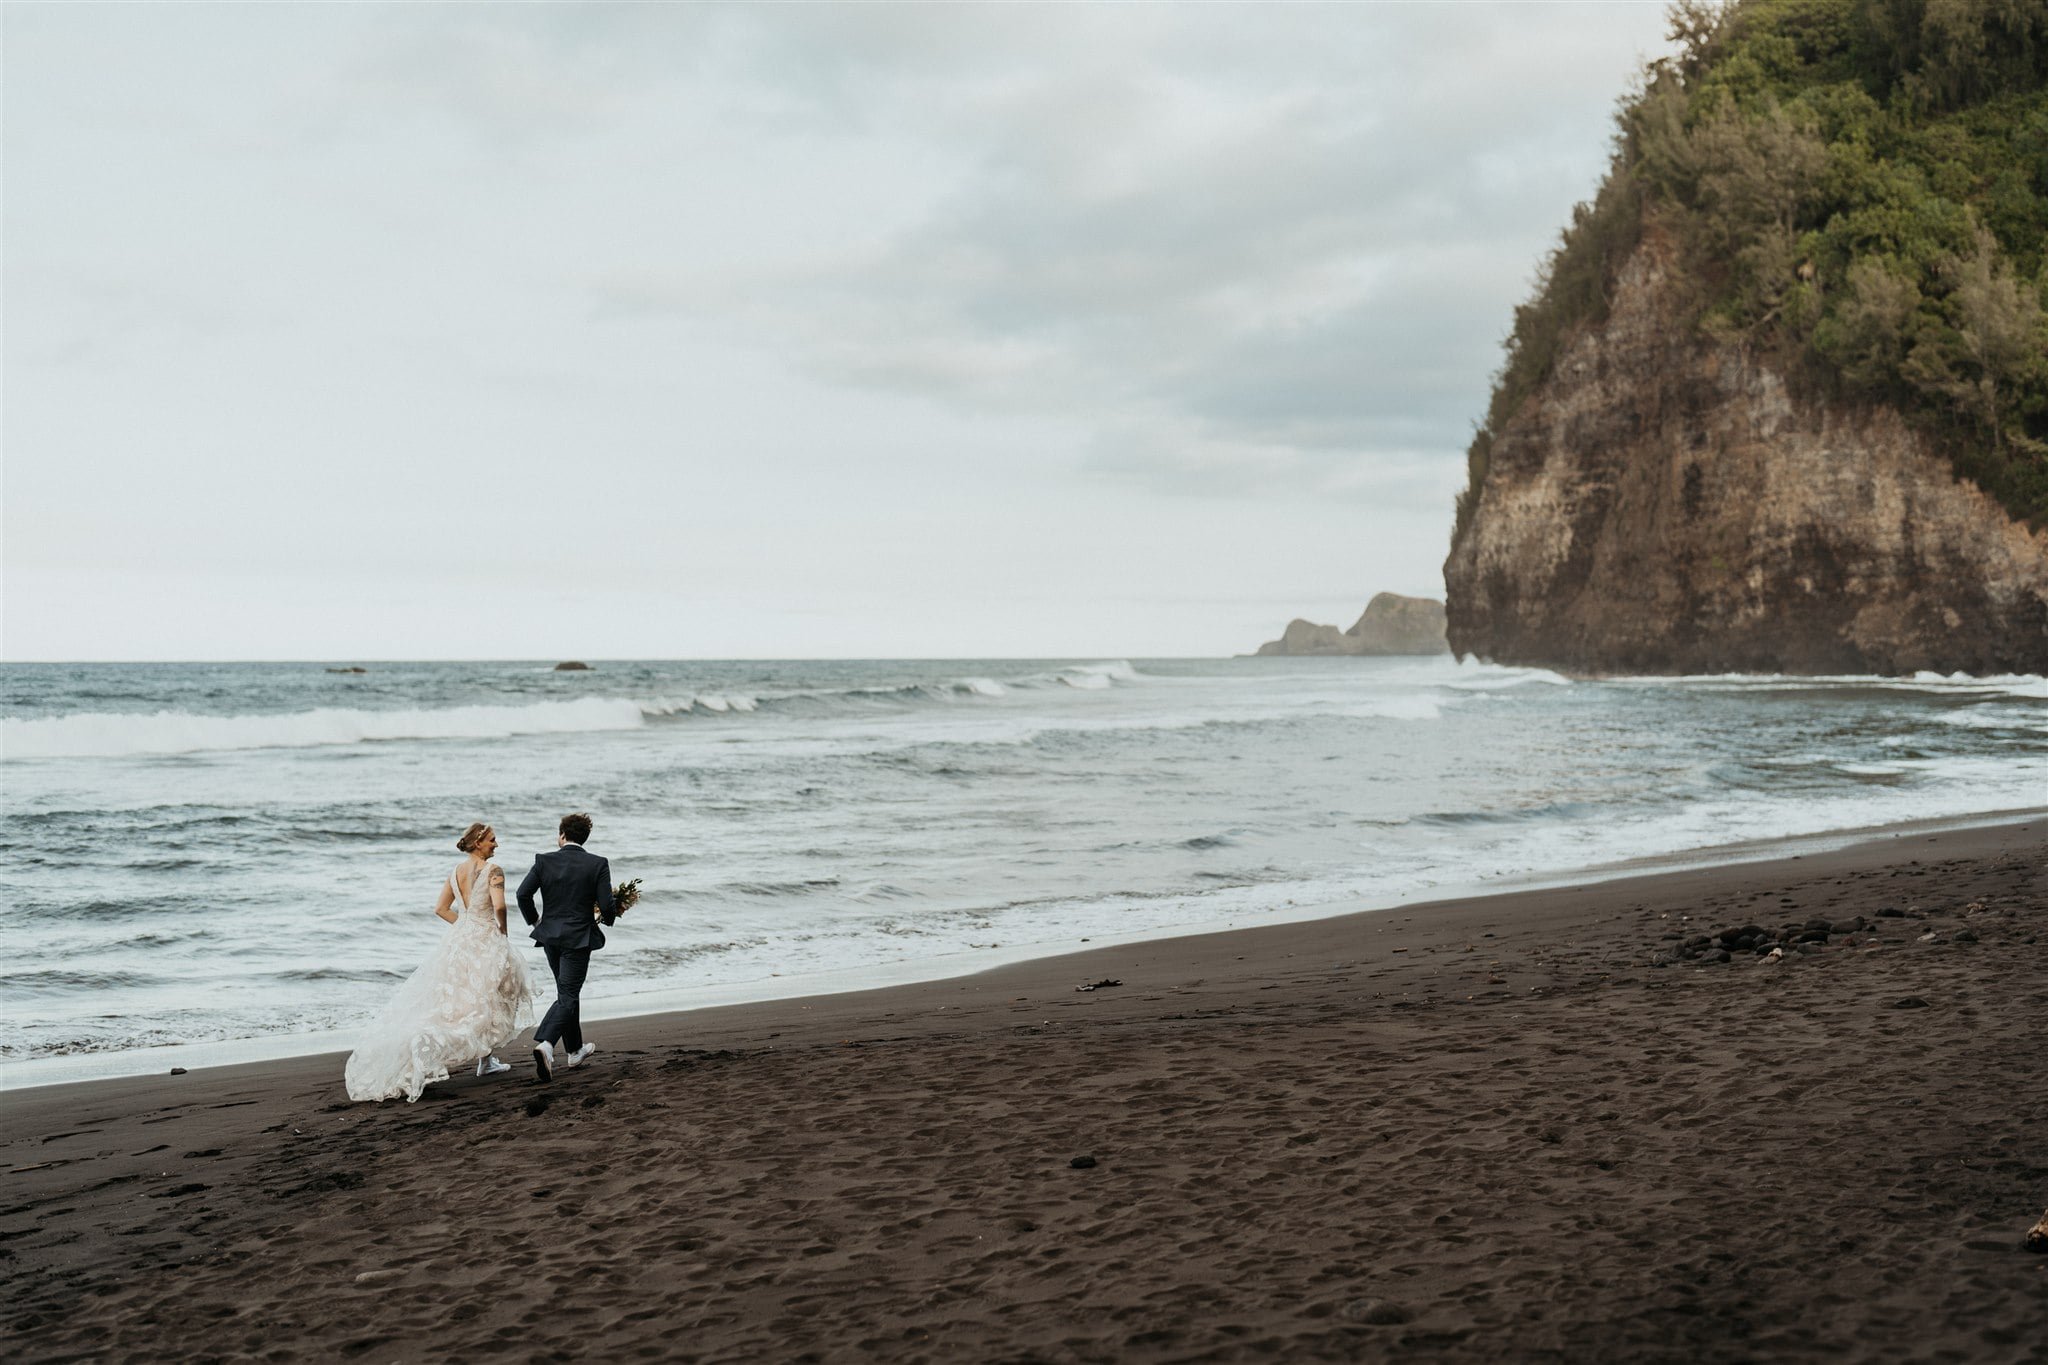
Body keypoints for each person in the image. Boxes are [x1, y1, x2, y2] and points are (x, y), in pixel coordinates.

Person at [344, 822, 535, 1103]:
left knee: (465, 999)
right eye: (493, 840)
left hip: (461, 940)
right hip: (485, 938)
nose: (497, 844)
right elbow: (500, 906)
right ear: (478, 843)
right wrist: (500, 929)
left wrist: (466, 925)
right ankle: (466, 1053)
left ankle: (486, 1060)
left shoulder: (455, 872)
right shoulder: (494, 870)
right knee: (490, 996)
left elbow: (441, 909)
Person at [517, 812, 618, 1082]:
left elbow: (522, 894)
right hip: (578, 937)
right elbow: (608, 906)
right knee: (569, 994)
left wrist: (536, 921)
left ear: (562, 835)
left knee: (565, 991)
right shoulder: (597, 864)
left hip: (550, 936)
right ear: (584, 837)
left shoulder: (543, 861)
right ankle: (547, 1045)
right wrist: (606, 918)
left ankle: (574, 1050)